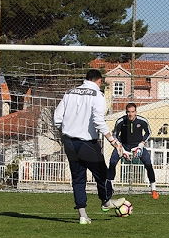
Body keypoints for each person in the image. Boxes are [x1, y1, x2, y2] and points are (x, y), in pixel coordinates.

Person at [53, 69, 126, 225]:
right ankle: (106, 201)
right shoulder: (98, 96)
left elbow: (57, 119)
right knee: (103, 173)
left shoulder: (70, 93)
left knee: (78, 178)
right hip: (85, 142)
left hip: (69, 142)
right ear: (99, 81)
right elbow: (98, 121)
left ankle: (83, 215)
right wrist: (113, 141)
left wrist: (68, 130)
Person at [107, 102, 159, 199]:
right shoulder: (120, 122)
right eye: (128, 112)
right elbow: (115, 135)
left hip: (138, 146)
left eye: (132, 112)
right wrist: (120, 147)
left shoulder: (142, 121)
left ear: (136, 112)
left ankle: (153, 189)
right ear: (126, 112)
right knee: (112, 162)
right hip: (123, 146)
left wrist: (141, 144)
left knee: (148, 163)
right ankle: (110, 188)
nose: (130, 114)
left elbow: (149, 132)